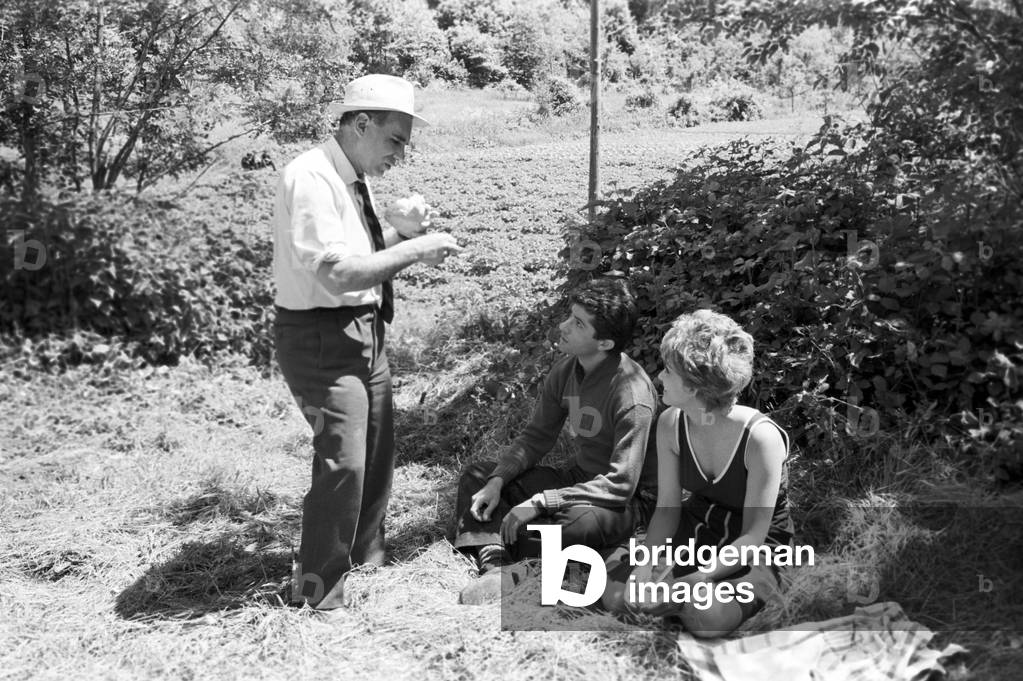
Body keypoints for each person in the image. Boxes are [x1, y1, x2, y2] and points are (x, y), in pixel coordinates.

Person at [273, 74, 462, 610]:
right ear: (361, 124)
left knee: (376, 452)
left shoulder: (351, 176)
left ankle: (364, 558)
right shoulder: (310, 177)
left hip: (363, 329)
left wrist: (398, 233)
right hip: (321, 337)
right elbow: (337, 274)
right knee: (344, 461)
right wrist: (417, 248)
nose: (401, 154)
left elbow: (361, 258)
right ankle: (318, 593)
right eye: (396, 140)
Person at [453, 278, 659, 605]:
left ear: (604, 343)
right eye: (569, 316)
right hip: (578, 480)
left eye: (577, 324)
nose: (563, 326)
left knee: (575, 522)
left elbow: (621, 484)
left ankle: (534, 570)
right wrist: (497, 481)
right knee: (478, 476)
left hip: (626, 503)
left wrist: (541, 502)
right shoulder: (566, 371)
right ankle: (497, 563)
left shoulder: (632, 394)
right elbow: (536, 437)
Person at [601, 310, 795, 637]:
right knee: (619, 597)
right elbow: (667, 509)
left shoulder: (761, 438)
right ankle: (666, 602)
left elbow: (753, 536)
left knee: (707, 618)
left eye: (668, 370)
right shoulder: (669, 424)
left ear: (693, 386)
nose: (659, 376)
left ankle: (676, 605)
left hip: (752, 548)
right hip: (698, 528)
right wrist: (646, 565)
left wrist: (696, 579)